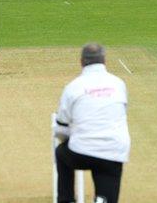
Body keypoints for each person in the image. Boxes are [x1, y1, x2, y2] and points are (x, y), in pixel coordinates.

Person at [53, 43, 130, 203]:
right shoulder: (119, 84)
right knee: (106, 192)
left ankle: (67, 200)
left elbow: (61, 127)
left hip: (81, 150)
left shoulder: (73, 87)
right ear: (104, 61)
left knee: (61, 153)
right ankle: (103, 199)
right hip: (114, 150)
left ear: (81, 62)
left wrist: (70, 138)